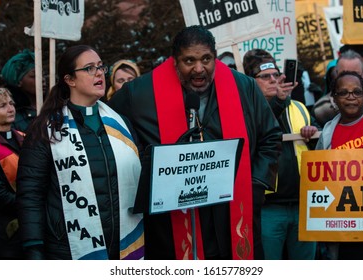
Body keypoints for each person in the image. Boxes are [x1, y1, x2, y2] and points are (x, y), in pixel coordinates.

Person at [108, 25, 282, 260]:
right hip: (173, 221)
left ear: (215, 56)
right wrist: (147, 164)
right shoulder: (139, 94)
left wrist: (255, 184)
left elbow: (270, 137)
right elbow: (112, 129)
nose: (199, 69)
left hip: (231, 209)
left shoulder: (245, 87)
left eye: (206, 59)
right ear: (174, 61)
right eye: (189, 60)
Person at [16, 45, 144, 260]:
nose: (99, 73)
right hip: (69, 249)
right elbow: (31, 193)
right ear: (70, 80)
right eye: (89, 68)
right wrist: (33, 247)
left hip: (124, 244)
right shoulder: (46, 129)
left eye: (100, 67)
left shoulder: (122, 124)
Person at [243, 49, 319, 260]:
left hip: (304, 203)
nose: (273, 80)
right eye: (265, 77)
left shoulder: (300, 108)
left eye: (276, 75)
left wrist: (314, 135)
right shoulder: (247, 110)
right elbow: (261, 132)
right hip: (269, 209)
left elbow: (319, 150)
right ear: (251, 81)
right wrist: (278, 102)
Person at [316, 71, 363, 259]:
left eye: (357, 92)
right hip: (347, 226)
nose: (351, 97)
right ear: (334, 98)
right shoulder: (327, 134)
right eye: (343, 93)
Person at [0, 87, 24, 259]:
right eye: (2, 106)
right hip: (5, 228)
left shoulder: (23, 137)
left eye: (11, 103)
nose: (10, 108)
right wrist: (30, 202)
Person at [313, 49, 363, 127]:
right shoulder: (322, 107)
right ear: (336, 73)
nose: (349, 79)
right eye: (344, 74)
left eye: (355, 74)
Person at [0, 50, 40, 132]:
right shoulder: (12, 115)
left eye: (43, 74)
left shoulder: (54, 105)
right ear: (18, 82)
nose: (42, 79)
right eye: (34, 76)